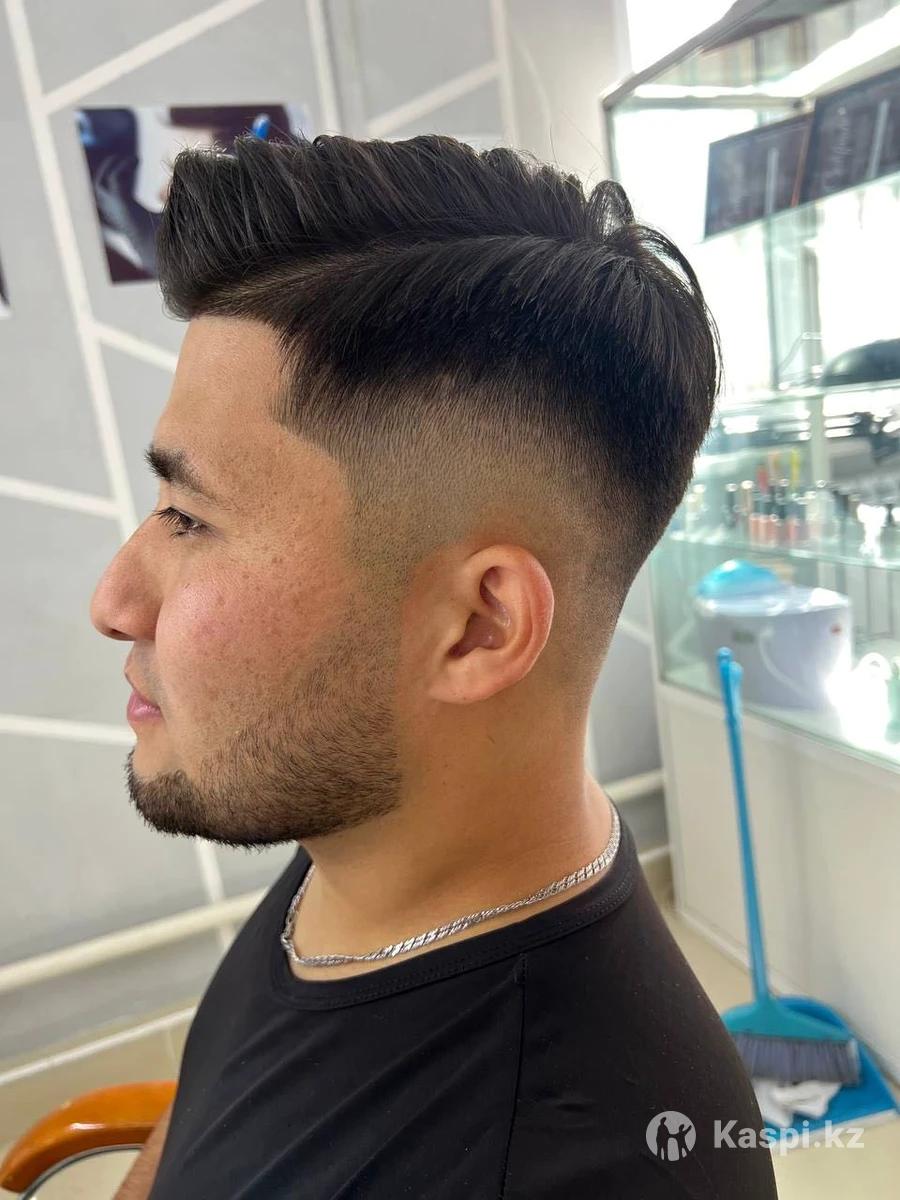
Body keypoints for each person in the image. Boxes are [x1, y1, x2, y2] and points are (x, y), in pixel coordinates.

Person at [91, 133, 778, 1198]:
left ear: (478, 627)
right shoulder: (374, 832)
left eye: (190, 517)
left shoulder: (578, 1164)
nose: (114, 602)